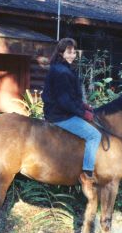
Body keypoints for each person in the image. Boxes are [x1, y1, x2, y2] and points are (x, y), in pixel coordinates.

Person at [42, 38, 101, 187]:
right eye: (69, 52)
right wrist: (83, 114)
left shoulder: (61, 68)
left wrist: (84, 105)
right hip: (60, 115)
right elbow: (65, 101)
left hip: (58, 111)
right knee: (94, 135)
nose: (72, 55)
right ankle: (87, 174)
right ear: (61, 53)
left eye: (74, 52)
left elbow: (68, 97)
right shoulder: (63, 72)